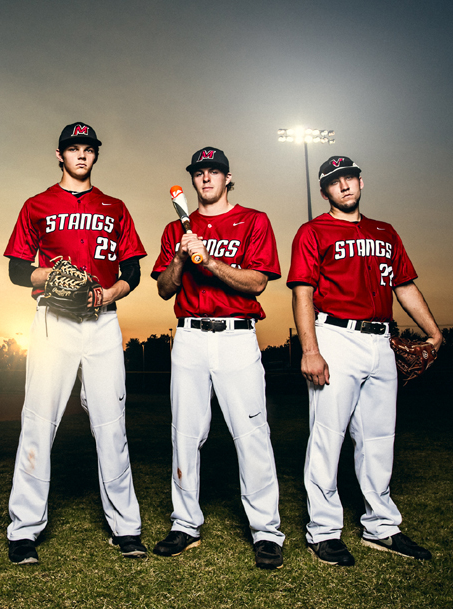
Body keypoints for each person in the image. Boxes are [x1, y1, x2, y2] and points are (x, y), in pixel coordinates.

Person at [3, 122, 147, 565]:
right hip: (54, 321)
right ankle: (24, 531)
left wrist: (107, 293)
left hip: (102, 321)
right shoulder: (37, 204)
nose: (80, 155)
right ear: (60, 155)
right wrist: (48, 275)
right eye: (73, 149)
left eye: (87, 149)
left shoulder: (115, 206)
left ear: (95, 156)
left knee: (111, 424)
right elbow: (14, 270)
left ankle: (126, 528)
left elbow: (133, 274)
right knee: (38, 420)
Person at [288, 156, 442, 566]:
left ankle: (382, 527)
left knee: (378, 438)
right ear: (325, 191)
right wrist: (310, 349)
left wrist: (435, 332)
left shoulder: (385, 231)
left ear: (360, 181)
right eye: (334, 182)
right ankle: (322, 531)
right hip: (335, 336)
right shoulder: (312, 231)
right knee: (328, 436)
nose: (343, 186)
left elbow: (404, 286)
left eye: (348, 178)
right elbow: (303, 292)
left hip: (382, 342)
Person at [152, 147, 285, 569]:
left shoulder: (254, 221)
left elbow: (257, 282)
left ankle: (266, 531)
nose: (206, 178)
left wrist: (207, 259)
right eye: (199, 172)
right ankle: (184, 524)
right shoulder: (178, 229)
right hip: (189, 336)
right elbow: (164, 289)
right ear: (192, 180)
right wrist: (179, 258)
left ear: (229, 178)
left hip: (236, 337)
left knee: (252, 434)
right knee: (185, 435)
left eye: (215, 172)